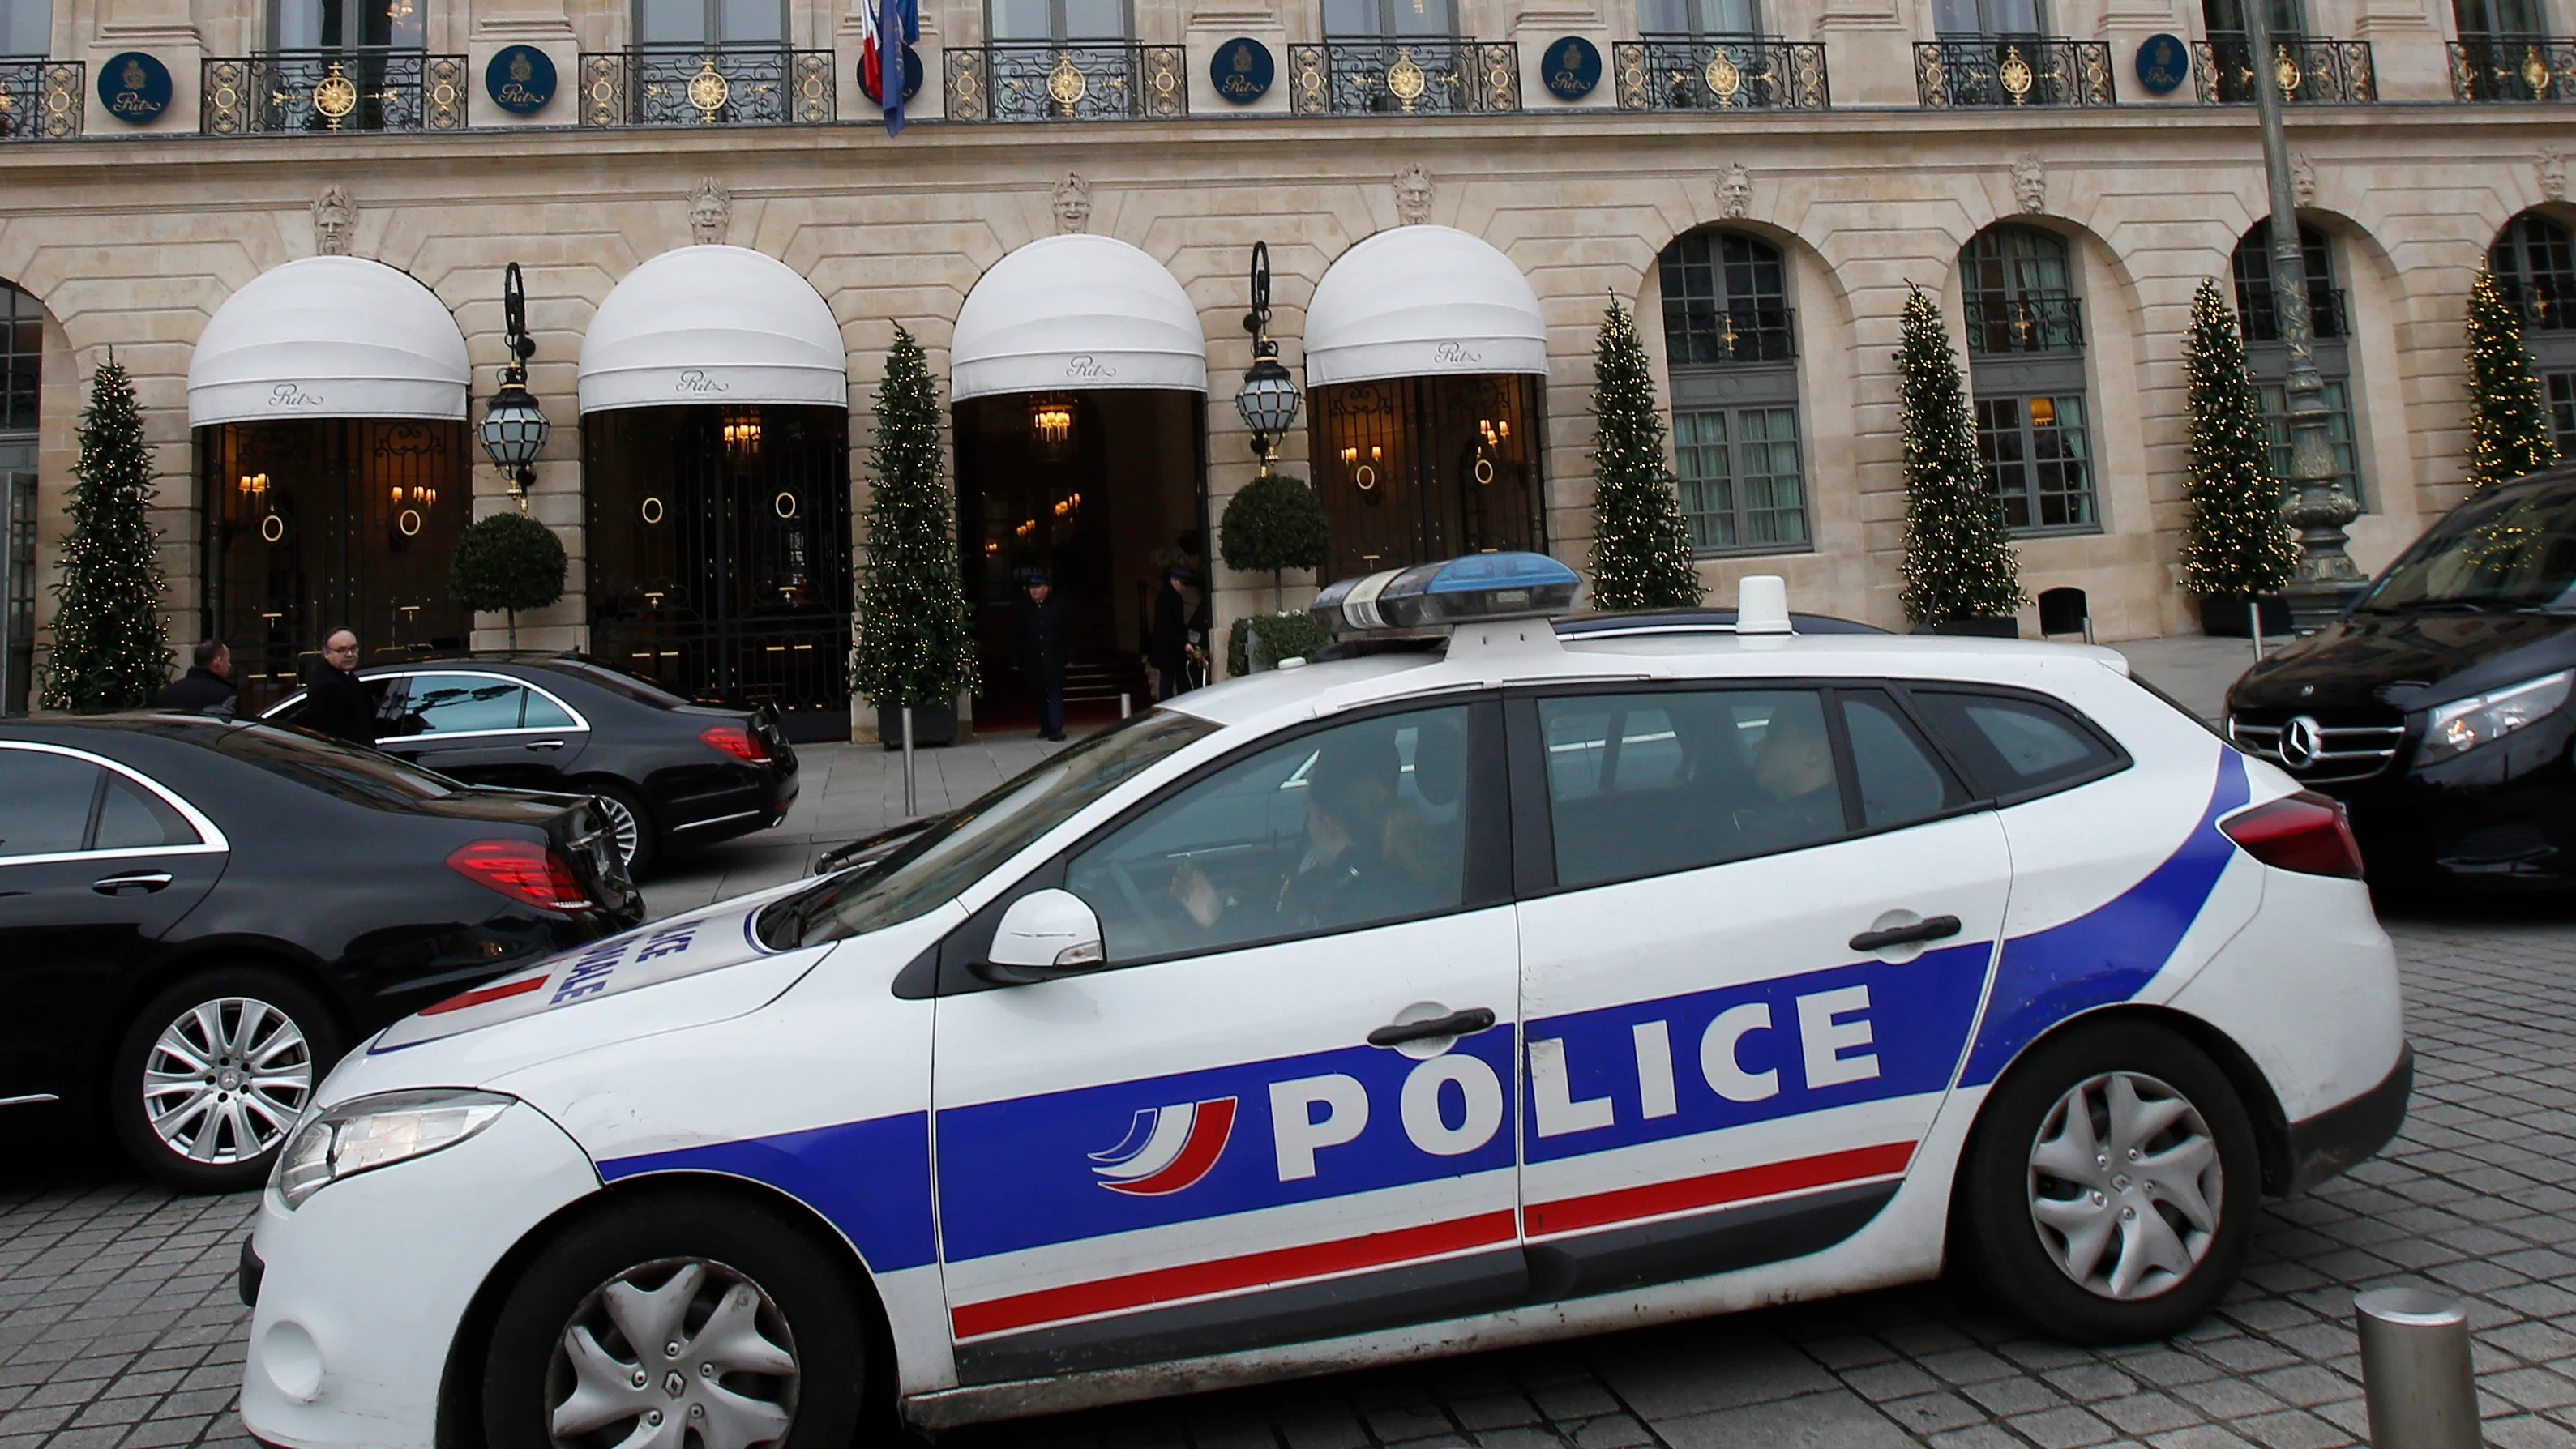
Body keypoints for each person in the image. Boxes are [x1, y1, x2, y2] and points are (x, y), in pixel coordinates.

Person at [1173, 729, 1416, 939]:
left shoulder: (1354, 901)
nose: (1307, 827)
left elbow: (1286, 961)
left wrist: (1218, 919)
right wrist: (1237, 904)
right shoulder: (1346, 875)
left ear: (1328, 825)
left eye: (1309, 815)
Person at [297, 628, 379, 747]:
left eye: (353, 648)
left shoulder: (347, 676)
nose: (350, 654)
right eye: (342, 650)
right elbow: (337, 734)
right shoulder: (328, 686)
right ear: (326, 653)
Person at [1013, 572, 1069, 742]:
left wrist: (1070, 655)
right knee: (1038, 695)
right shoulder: (1023, 609)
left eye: (1037, 587)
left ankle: (1056, 727)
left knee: (1055, 693)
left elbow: (1067, 633)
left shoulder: (1058, 607)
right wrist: (1016, 659)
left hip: (1054, 658)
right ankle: (1045, 726)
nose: (1034, 591)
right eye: (1032, 588)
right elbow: (1017, 635)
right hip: (1034, 659)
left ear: (1046, 588)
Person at [155, 639, 237, 717]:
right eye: (227, 660)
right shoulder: (226, 696)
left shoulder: (166, 692)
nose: (229, 665)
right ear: (218, 661)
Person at [1147, 566, 1194, 701]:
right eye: (1182, 583)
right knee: (1167, 683)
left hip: (1169, 647)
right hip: (1168, 649)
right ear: (1174, 581)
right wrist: (1183, 643)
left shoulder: (1168, 595)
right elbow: (1169, 626)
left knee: (1169, 682)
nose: (1184, 587)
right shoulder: (1169, 598)